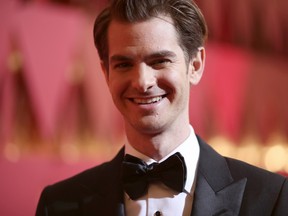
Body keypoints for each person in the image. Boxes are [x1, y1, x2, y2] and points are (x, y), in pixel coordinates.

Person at [36, 0, 288, 215]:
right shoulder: (58, 205)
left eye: (159, 61)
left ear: (196, 65)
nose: (142, 82)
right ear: (105, 72)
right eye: (124, 64)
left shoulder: (270, 198)